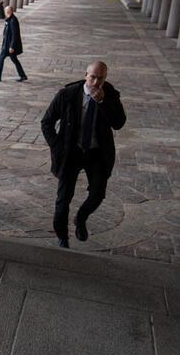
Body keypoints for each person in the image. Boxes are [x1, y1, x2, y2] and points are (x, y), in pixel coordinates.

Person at [41, 60, 126, 248]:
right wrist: (57, 147)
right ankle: (62, 236)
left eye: (101, 78)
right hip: (71, 151)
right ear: (85, 75)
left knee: (97, 193)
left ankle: (81, 218)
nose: (96, 82)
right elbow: (46, 122)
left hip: (96, 152)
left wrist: (102, 101)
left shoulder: (110, 94)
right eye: (93, 77)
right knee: (63, 198)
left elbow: (118, 123)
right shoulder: (68, 94)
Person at [0, 5, 27, 82]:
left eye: (5, 11)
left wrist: (12, 46)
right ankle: (22, 75)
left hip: (9, 46)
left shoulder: (13, 20)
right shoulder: (10, 19)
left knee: (2, 59)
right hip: (7, 45)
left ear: (8, 12)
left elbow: (15, 35)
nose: (4, 13)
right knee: (14, 60)